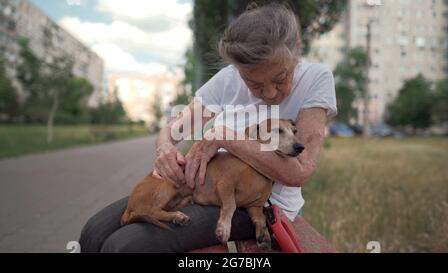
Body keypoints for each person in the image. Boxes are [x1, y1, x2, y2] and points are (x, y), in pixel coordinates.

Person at [79, 3, 337, 253]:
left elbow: (299, 172)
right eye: (254, 85)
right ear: (238, 69)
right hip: (199, 188)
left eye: (280, 78)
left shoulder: (315, 79)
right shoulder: (228, 79)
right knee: (94, 232)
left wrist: (226, 138)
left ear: (297, 51)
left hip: (255, 203)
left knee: (125, 246)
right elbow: (173, 130)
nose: (269, 93)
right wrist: (165, 150)